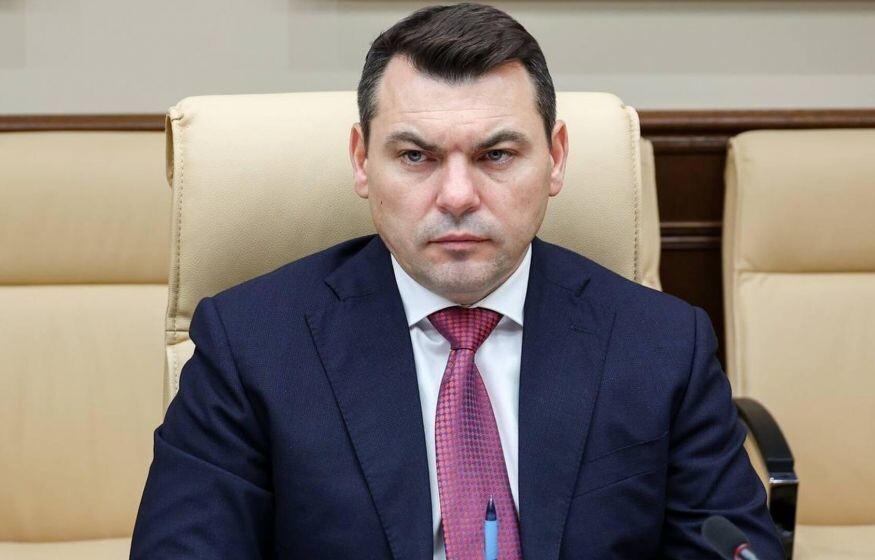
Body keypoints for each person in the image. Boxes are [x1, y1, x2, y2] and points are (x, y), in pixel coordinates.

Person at [131, 3, 784, 559]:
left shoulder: (662, 344)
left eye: (496, 155)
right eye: (416, 156)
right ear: (362, 161)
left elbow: (727, 544)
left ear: (555, 158)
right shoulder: (253, 344)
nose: (457, 196)